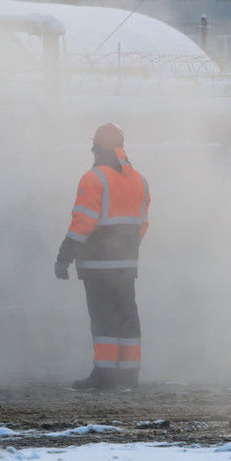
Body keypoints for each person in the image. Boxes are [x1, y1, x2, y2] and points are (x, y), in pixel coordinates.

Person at [54, 122, 150, 390]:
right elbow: (142, 224)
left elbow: (83, 223)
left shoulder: (93, 178)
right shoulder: (139, 180)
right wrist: (129, 249)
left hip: (98, 264)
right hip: (126, 264)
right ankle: (129, 374)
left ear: (97, 148)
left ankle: (105, 375)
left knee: (103, 317)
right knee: (127, 315)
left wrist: (65, 255)